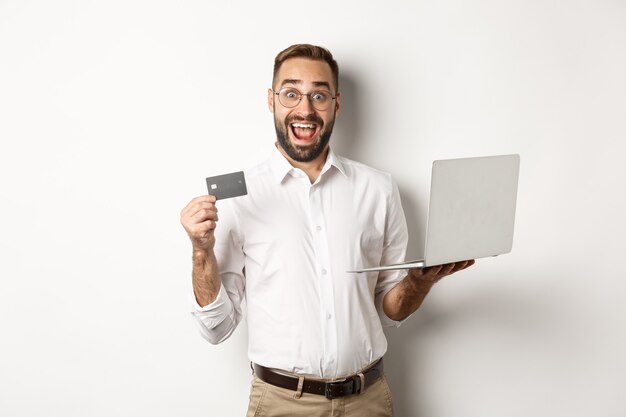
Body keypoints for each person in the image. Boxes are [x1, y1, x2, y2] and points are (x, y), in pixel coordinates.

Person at [180, 43, 474, 417]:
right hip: (281, 404)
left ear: (337, 103)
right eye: (291, 94)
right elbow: (216, 328)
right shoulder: (239, 198)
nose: (304, 109)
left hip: (368, 400)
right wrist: (200, 250)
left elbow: (390, 309)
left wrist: (420, 282)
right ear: (271, 100)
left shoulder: (378, 189)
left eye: (318, 95)